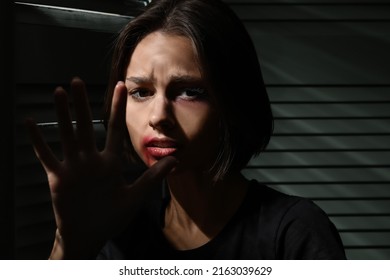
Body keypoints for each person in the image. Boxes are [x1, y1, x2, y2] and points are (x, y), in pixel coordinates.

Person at [26, 0, 346, 259]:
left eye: (189, 91)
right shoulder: (119, 231)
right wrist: (70, 248)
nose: (159, 116)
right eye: (142, 92)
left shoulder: (294, 232)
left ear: (234, 101)